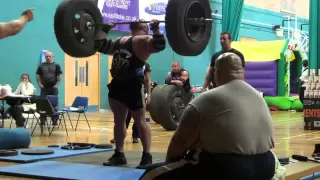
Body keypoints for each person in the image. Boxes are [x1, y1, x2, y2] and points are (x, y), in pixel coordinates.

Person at [139, 53, 275, 180]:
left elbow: (179, 143)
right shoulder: (258, 97)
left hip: (231, 168)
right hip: (267, 166)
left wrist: (170, 165)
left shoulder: (206, 100)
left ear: (216, 73)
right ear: (242, 72)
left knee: (150, 174)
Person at [94, 19, 166, 167]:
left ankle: (147, 157)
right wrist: (105, 29)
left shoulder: (145, 39)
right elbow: (99, 45)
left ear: (145, 28)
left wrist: (156, 28)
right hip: (118, 84)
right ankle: (119, 154)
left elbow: (160, 45)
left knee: (140, 121)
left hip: (134, 85)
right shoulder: (120, 40)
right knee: (118, 121)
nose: (138, 19)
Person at [110, 61, 152, 144]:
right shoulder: (126, 62)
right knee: (124, 117)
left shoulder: (146, 65)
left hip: (139, 92)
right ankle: (118, 137)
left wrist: (148, 94)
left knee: (139, 118)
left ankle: (136, 136)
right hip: (126, 92)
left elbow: (147, 80)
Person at [36, 51, 62, 125]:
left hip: (53, 88)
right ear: (45, 57)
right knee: (42, 104)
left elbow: (60, 76)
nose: (48, 57)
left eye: (49, 56)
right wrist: (39, 84)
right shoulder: (41, 65)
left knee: (54, 104)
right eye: (46, 56)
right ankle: (43, 121)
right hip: (44, 88)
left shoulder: (56, 65)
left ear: (52, 57)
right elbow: (37, 75)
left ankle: (54, 120)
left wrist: (57, 85)